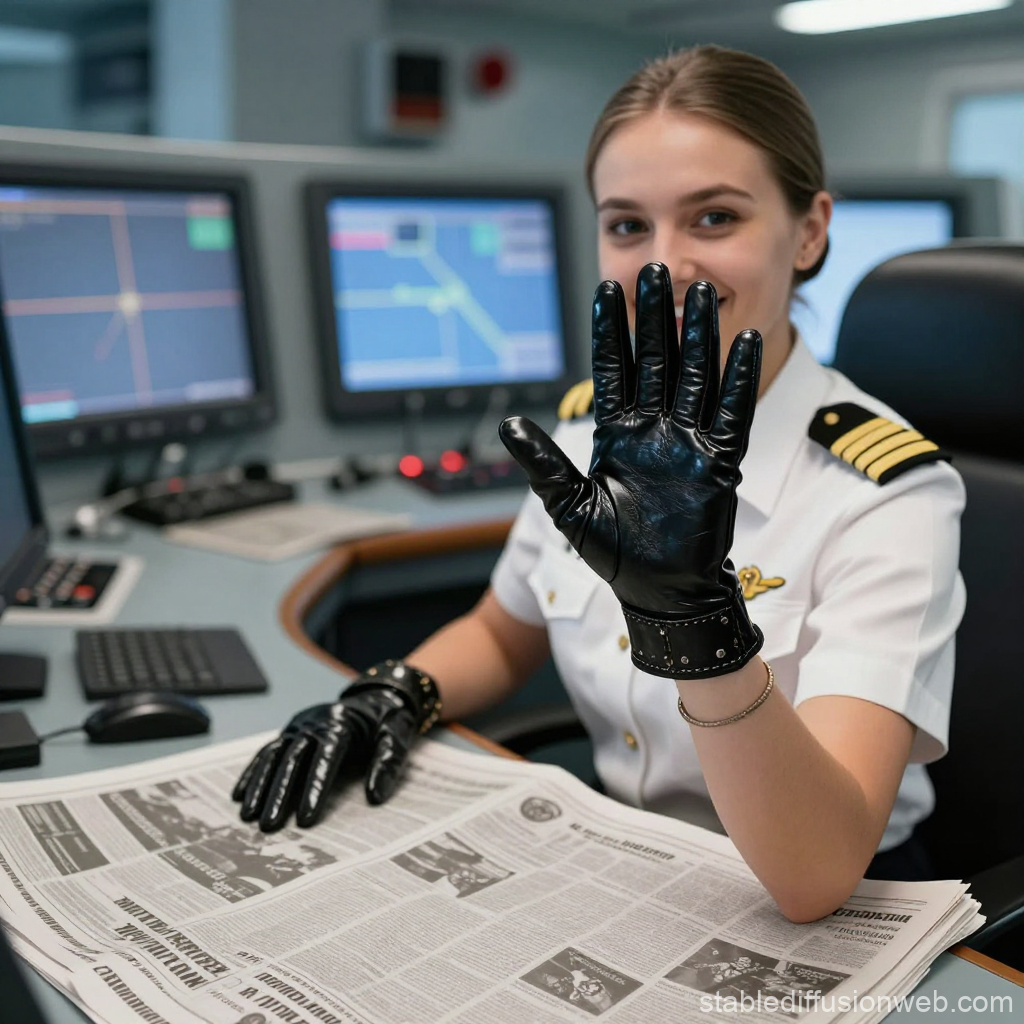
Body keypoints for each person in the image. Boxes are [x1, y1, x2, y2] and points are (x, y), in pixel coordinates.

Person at [232, 45, 964, 923]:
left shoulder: (884, 492)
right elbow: (505, 636)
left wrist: (694, 622)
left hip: (825, 897)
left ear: (809, 231)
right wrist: (396, 689)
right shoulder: (590, 432)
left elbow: (814, 876)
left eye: (715, 218)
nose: (665, 266)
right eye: (627, 226)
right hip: (636, 868)